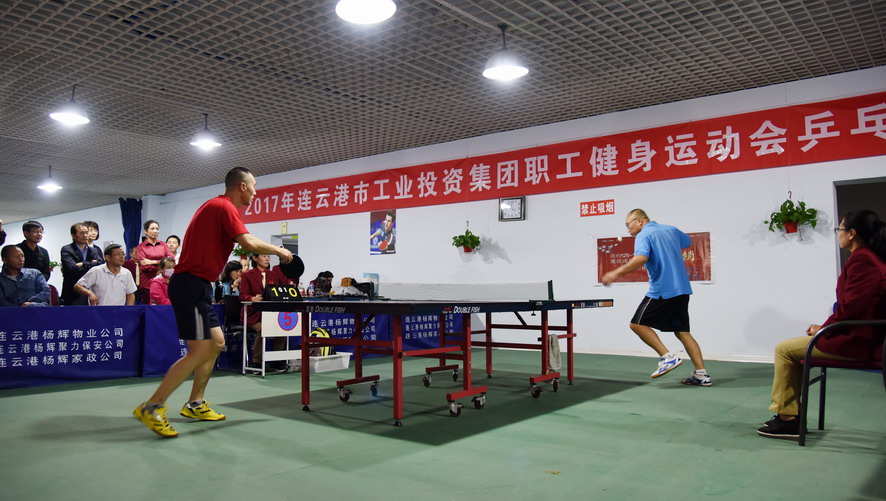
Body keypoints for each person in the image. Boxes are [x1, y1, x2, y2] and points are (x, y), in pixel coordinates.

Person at [133, 167, 293, 438]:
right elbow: (248, 243)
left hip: (200, 286)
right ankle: (152, 407)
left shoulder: (220, 207)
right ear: (242, 186)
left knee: (217, 343)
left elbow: (245, 240)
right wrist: (279, 250)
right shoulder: (223, 206)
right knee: (198, 352)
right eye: (253, 186)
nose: (256, 192)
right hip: (190, 285)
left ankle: (195, 403)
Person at [757, 210, 886, 440]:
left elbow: (851, 309)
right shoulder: (870, 258)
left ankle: (788, 420)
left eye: (839, 229)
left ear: (852, 233)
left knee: (784, 349)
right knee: (791, 348)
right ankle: (789, 416)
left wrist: (822, 329)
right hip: (863, 336)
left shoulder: (863, 260)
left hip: (859, 342)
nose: (838, 234)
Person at [601, 209, 712, 385]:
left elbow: (640, 259)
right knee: (682, 332)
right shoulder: (671, 229)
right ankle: (701, 375)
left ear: (640, 221)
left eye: (628, 224)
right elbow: (687, 241)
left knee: (637, 324)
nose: (628, 230)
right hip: (682, 289)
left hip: (662, 290)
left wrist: (615, 273)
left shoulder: (643, 235)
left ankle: (668, 357)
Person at [239, 253, 294, 371]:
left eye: (268, 256)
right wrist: (252, 298)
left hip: (270, 314)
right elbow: (242, 295)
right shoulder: (247, 275)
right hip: (253, 316)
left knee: (282, 328)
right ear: (255, 258)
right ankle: (257, 363)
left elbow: (277, 292)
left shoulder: (273, 275)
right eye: (264, 256)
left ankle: (276, 361)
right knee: (264, 329)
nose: (267, 259)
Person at [60, 223, 104, 305]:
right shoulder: (67, 249)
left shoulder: (94, 250)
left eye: (86, 233)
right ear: (73, 235)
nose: (85, 235)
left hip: (92, 289)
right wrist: (91, 264)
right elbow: (72, 269)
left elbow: (100, 265)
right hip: (73, 292)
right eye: (81, 233)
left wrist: (82, 264)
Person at [135, 220, 174, 304]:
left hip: (165, 282)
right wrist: (163, 264)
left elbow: (171, 259)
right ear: (146, 231)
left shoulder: (163, 244)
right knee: (151, 308)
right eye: (152, 229)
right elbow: (145, 266)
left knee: (167, 305)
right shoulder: (141, 247)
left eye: (157, 229)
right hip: (148, 284)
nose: (155, 231)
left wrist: (152, 262)